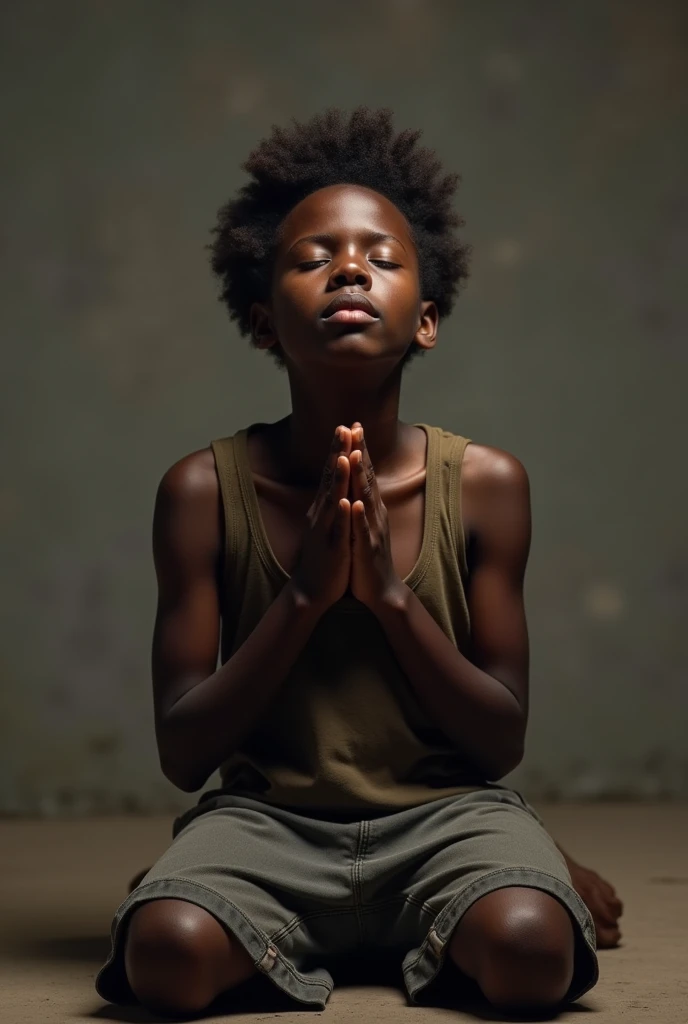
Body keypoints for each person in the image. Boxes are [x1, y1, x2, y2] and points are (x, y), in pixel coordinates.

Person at [95, 106, 623, 1018]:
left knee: (534, 951)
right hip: (270, 822)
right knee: (166, 957)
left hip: (445, 815)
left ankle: (496, 872)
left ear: (426, 320)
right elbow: (185, 752)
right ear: (263, 321)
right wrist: (302, 596)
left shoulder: (489, 485)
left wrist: (385, 595)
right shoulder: (199, 491)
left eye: (381, 257)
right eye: (313, 258)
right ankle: (216, 884)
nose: (349, 268)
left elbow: (500, 740)